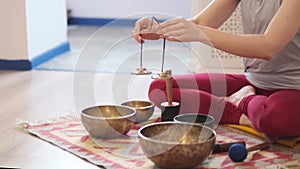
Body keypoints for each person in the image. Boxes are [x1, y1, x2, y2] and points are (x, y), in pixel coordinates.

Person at [132, 0, 300, 138]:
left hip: (294, 89)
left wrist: (199, 32)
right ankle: (238, 112)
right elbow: (200, 23)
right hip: (253, 81)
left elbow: (268, 46)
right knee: (161, 88)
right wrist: (159, 30)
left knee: (275, 117)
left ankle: (243, 100)